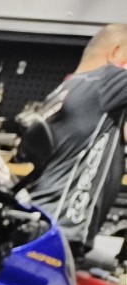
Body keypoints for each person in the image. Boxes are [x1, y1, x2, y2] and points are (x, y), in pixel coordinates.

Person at [23, 23, 127, 256]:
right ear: (116, 52)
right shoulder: (106, 80)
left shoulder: (70, 87)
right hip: (60, 228)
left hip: (44, 220)